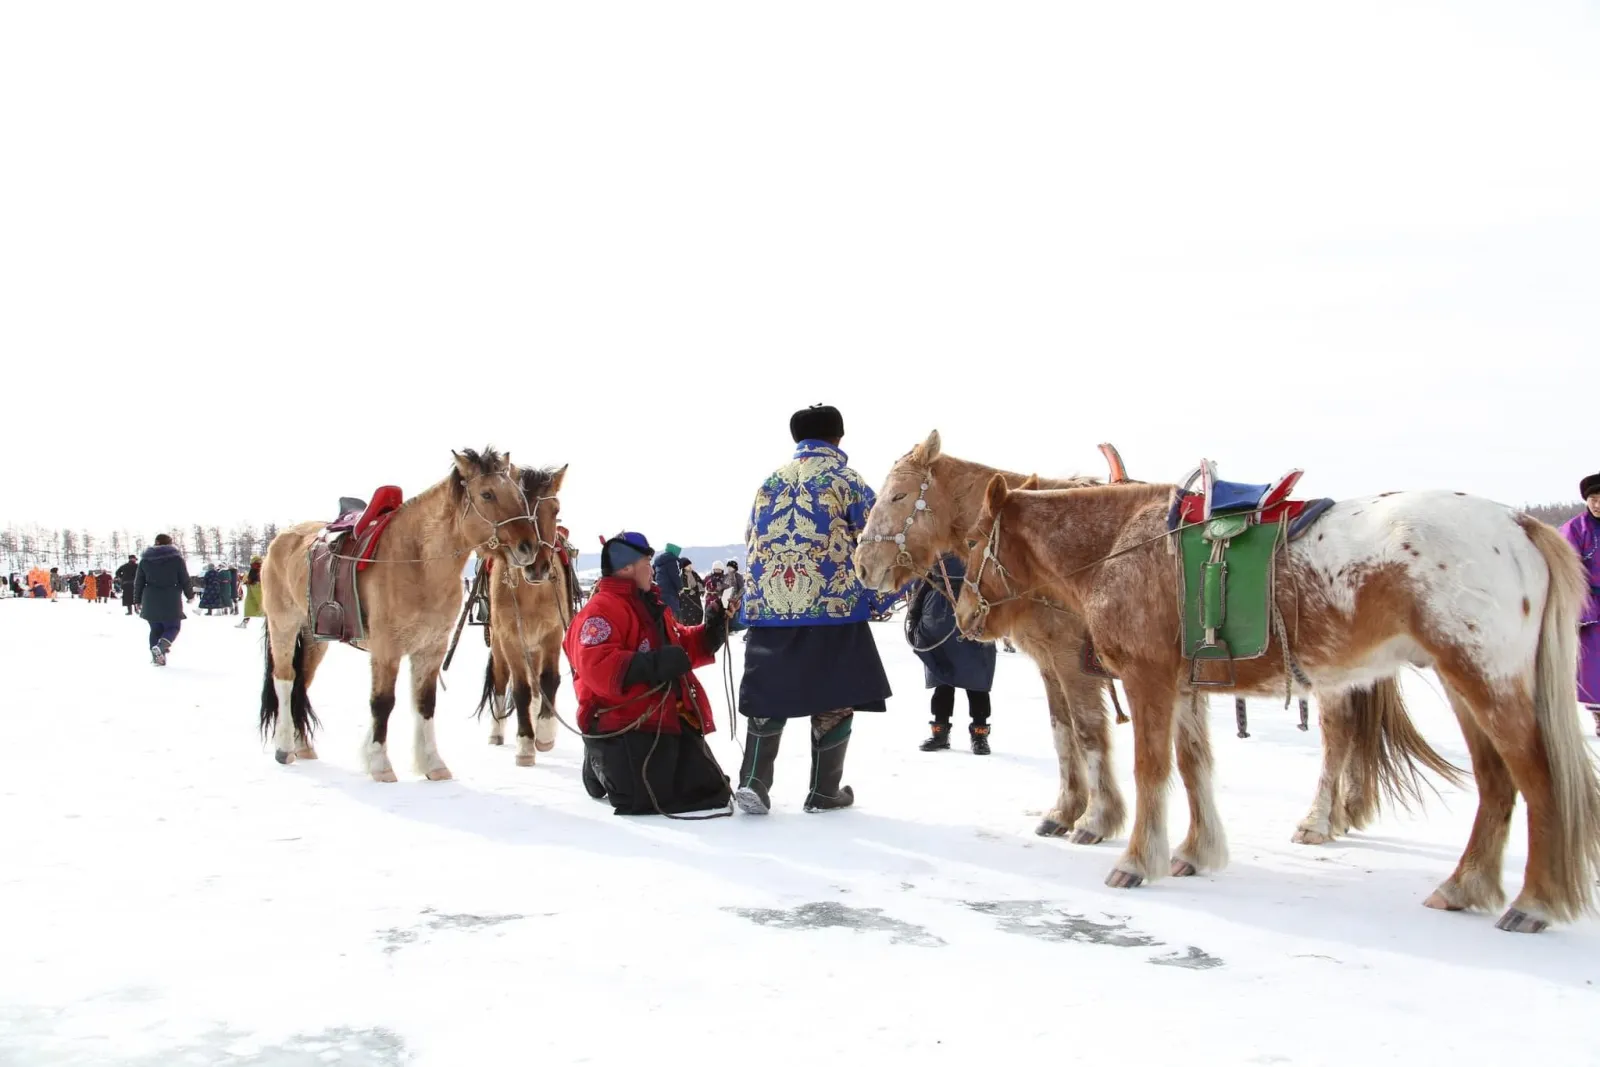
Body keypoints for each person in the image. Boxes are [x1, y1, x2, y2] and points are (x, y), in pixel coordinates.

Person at [734, 404, 893, 815]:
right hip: (834, 607)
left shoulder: (768, 483)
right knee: (834, 695)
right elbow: (877, 542)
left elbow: (751, 539)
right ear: (839, 437)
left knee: (769, 696)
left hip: (771, 610)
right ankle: (824, 792)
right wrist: (880, 599)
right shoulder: (848, 481)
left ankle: (753, 782)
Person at [564, 531, 732, 816]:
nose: (651, 569)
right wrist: (656, 664)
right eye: (646, 562)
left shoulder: (650, 604)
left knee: (711, 790)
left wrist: (711, 631)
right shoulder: (601, 610)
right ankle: (597, 763)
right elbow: (597, 667)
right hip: (624, 719)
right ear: (627, 568)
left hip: (664, 714)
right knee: (644, 799)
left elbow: (678, 647)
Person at [906, 554, 998, 754]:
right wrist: (914, 614)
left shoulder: (980, 543)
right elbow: (924, 582)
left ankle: (980, 735)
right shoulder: (937, 545)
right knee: (942, 678)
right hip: (937, 616)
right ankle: (940, 732)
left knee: (977, 676)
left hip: (973, 612)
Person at [1561, 472, 1600, 738]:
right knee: (1594, 663)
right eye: (1593, 499)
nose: (1597, 504)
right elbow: (1567, 566)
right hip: (1591, 602)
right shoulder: (1576, 529)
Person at [134, 533, 193, 665]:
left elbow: (139, 582)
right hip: (170, 598)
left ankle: (157, 657)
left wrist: (137, 600)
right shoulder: (176, 559)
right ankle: (161, 647)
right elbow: (185, 579)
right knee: (173, 627)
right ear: (170, 544)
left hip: (150, 598)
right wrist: (190, 595)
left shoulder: (145, 560)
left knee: (155, 629)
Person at [652, 542, 684, 616]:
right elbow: (674, 576)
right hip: (670, 591)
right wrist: (680, 587)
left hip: (659, 590)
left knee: (664, 612)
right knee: (673, 612)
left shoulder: (658, 561)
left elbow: (654, 574)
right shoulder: (671, 561)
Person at [237, 556, 265, 628]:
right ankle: (244, 622)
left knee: (265, 608)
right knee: (249, 607)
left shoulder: (263, 570)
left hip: (261, 593)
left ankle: (271, 625)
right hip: (252, 593)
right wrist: (245, 580)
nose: (254, 566)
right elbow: (249, 580)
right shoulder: (254, 571)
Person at [676, 559, 705, 626]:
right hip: (686, 599)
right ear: (683, 567)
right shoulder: (681, 576)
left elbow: (700, 582)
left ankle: (697, 627)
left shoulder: (694, 574)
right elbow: (680, 587)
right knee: (686, 615)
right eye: (688, 566)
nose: (690, 567)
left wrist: (698, 589)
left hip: (695, 597)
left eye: (690, 565)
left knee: (698, 612)